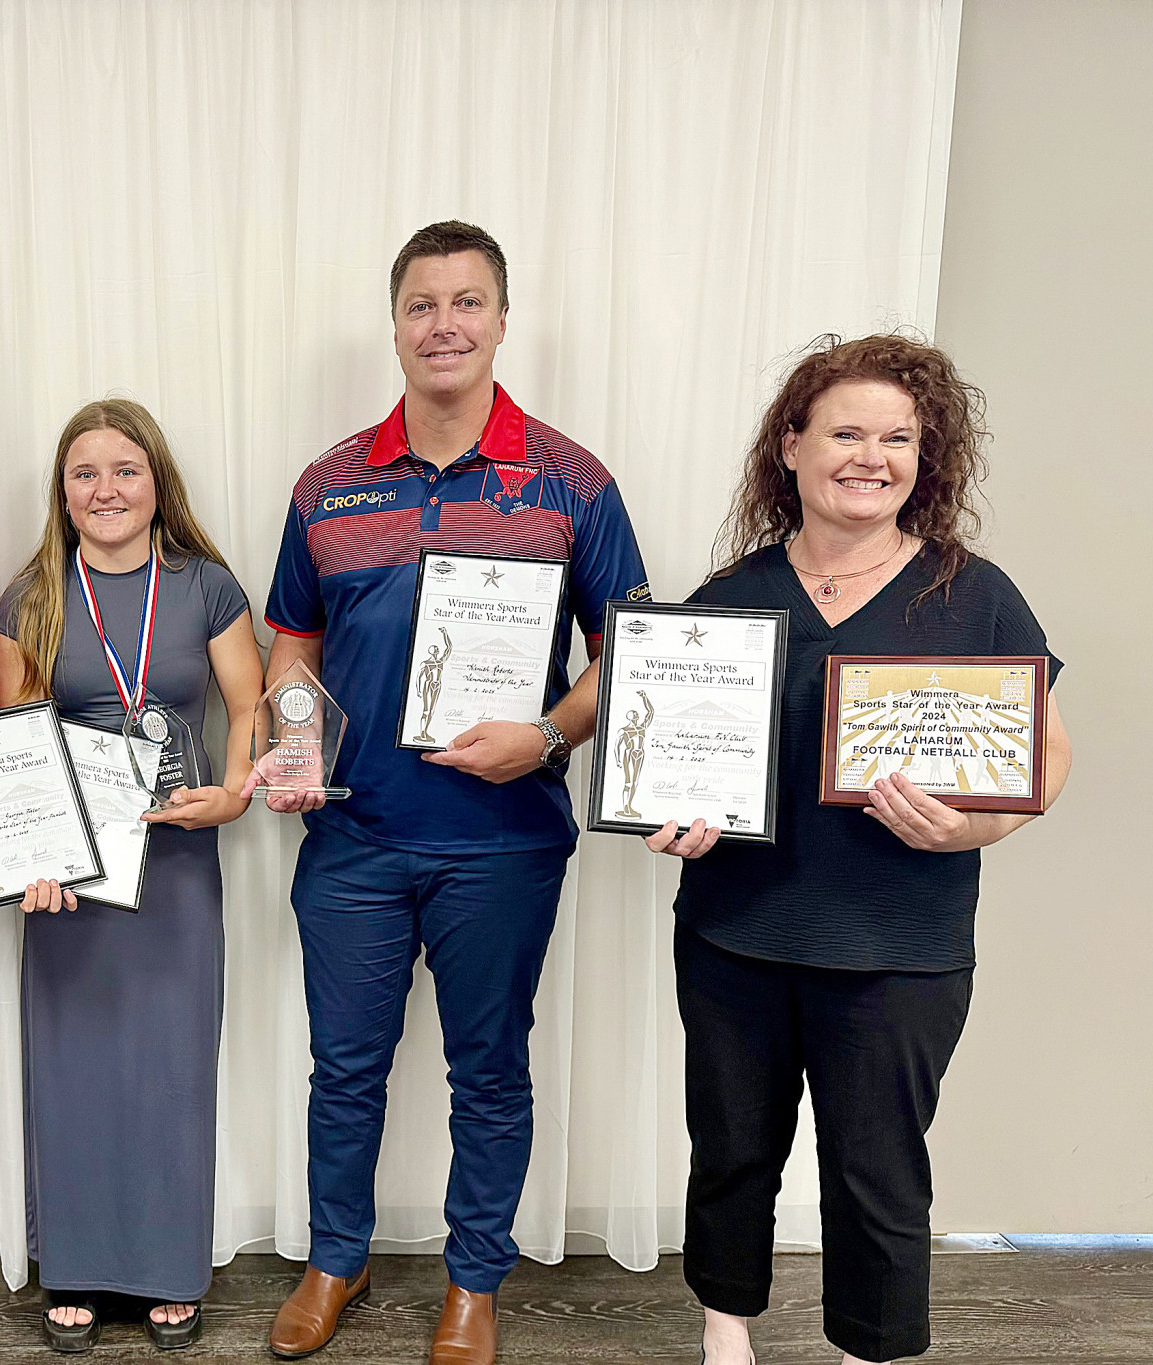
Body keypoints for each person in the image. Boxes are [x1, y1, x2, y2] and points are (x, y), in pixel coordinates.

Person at [244, 222, 651, 1365]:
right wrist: (289, 735)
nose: (443, 325)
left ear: (501, 321)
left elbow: (628, 649)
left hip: (504, 843)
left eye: (466, 303)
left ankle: (474, 1280)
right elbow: (290, 636)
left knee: (488, 1069)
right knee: (346, 1068)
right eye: (422, 305)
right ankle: (336, 1256)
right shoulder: (326, 484)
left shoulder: (571, 481)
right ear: (393, 324)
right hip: (353, 837)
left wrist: (548, 735)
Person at [644, 334, 1072, 1365]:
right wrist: (669, 820)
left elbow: (1045, 758)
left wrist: (975, 826)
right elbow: (667, 764)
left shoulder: (972, 595)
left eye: (896, 438)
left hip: (899, 947)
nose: (869, 456)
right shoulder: (728, 599)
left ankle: (869, 1350)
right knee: (732, 1150)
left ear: (924, 460)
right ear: (790, 446)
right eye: (844, 432)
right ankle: (723, 1332)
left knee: (877, 1168)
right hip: (734, 937)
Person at [0, 399, 264, 1353]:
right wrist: (31, 860)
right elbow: (12, 747)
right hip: (71, 880)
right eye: (84, 473)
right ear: (61, 493)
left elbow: (249, 707)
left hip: (179, 869)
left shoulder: (208, 588)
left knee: (169, 1068)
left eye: (125, 469)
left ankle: (167, 1266)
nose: (105, 488)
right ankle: (72, 1262)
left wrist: (233, 794)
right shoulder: (31, 596)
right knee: (71, 1065)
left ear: (158, 484)